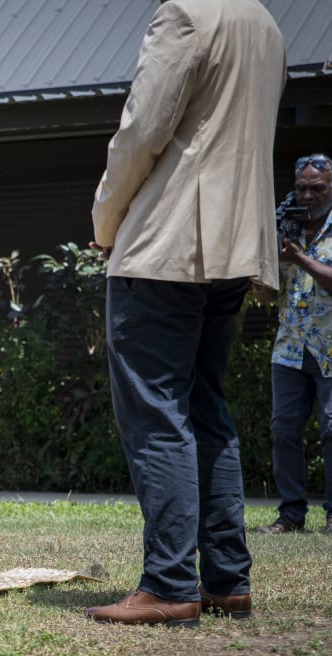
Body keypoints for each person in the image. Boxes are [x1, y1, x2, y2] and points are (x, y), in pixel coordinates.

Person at [86, 0, 285, 626]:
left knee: (157, 413)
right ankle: (227, 580)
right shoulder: (266, 24)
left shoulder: (185, 13)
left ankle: (171, 583)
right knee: (207, 408)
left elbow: (142, 129)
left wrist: (105, 219)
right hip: (236, 243)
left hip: (166, 243)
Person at [260, 154, 332, 536]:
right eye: (301, 187)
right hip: (289, 347)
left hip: (330, 348)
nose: (307, 195)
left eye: (317, 188)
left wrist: (300, 259)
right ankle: (291, 515)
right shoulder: (285, 224)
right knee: (284, 430)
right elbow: (270, 294)